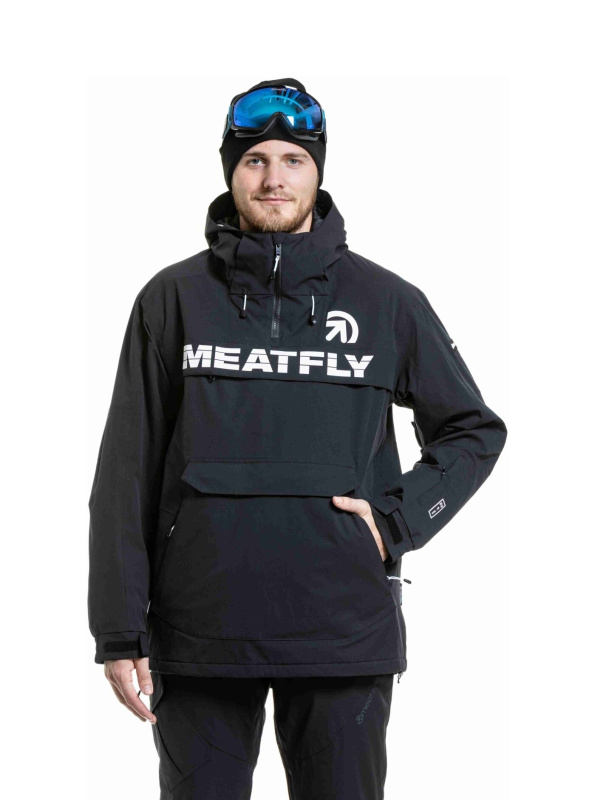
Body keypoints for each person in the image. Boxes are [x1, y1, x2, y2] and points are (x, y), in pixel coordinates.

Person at [88, 78, 507, 799]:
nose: (273, 179)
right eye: (255, 161)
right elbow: (126, 469)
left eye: (293, 160)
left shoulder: (386, 301)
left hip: (341, 629)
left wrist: (398, 521)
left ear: (318, 172)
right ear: (231, 172)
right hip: (199, 632)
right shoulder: (172, 299)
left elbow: (473, 429)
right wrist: (118, 631)